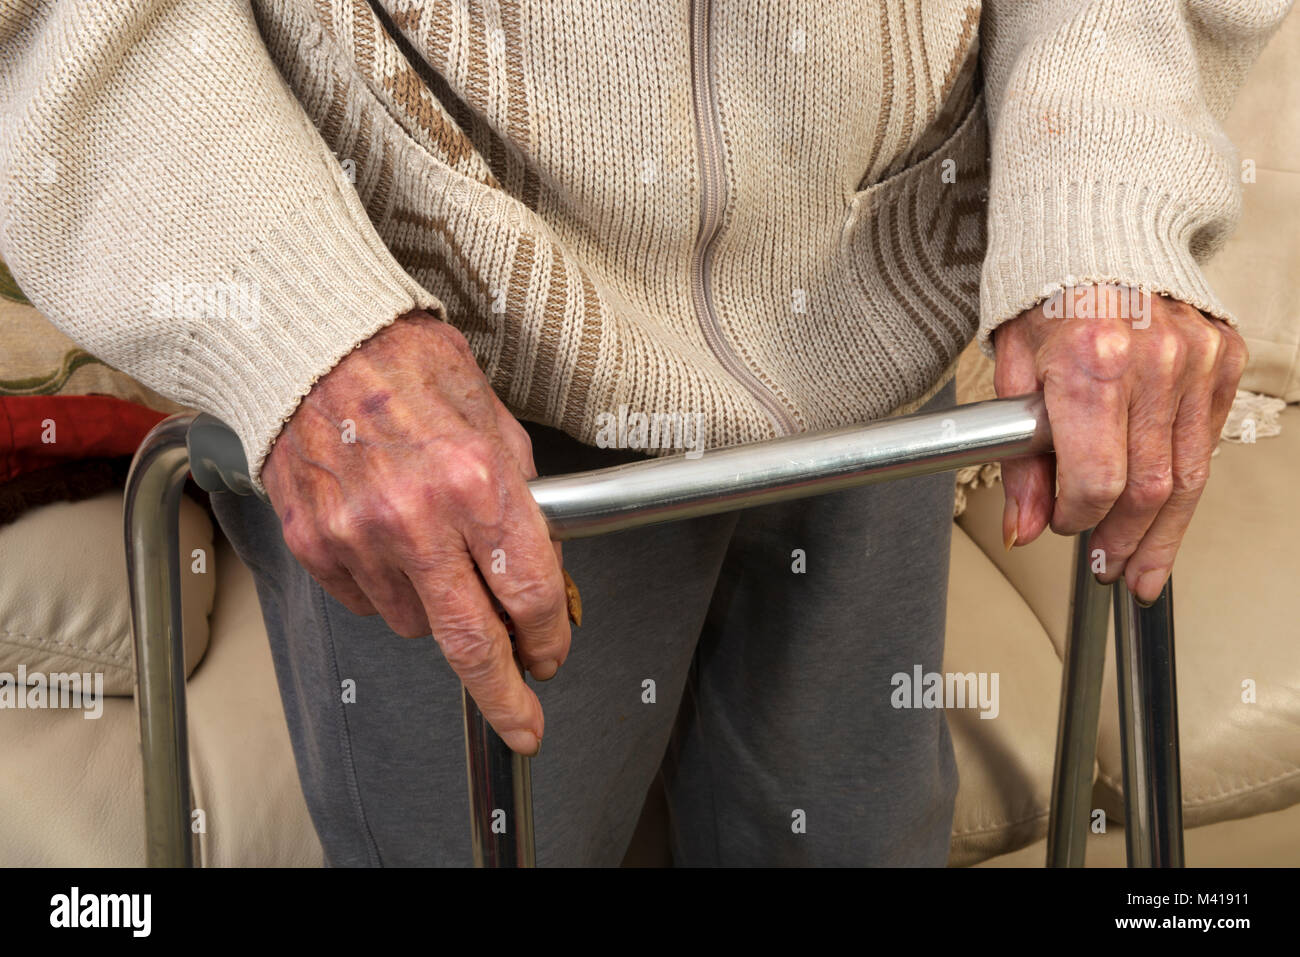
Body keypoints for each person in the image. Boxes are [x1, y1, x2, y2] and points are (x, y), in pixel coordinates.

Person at [0, 0, 1283, 865]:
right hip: (439, 372)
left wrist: (1104, 187)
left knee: (855, 837)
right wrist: (302, 319)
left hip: (886, 278)